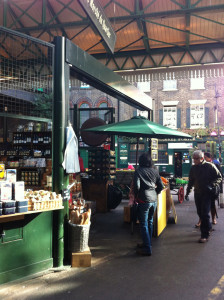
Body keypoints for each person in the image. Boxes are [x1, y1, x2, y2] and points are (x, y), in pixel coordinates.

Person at [185, 150, 222, 243]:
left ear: (202, 158)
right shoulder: (193, 168)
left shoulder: (210, 166)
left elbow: (219, 177)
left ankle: (204, 235)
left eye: (196, 159)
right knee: (200, 213)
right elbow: (191, 181)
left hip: (207, 194)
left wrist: (211, 185)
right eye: (193, 159)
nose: (194, 160)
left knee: (205, 214)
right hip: (197, 193)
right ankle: (208, 227)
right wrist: (187, 192)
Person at [133, 152, 164, 256]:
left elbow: (136, 187)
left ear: (140, 161)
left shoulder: (138, 171)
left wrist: (136, 196)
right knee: (150, 222)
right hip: (153, 199)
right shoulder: (155, 171)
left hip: (143, 200)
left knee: (143, 224)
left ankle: (147, 248)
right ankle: (148, 243)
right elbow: (161, 186)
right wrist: (156, 192)